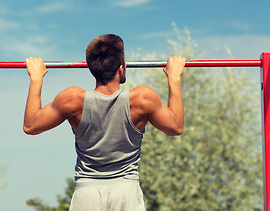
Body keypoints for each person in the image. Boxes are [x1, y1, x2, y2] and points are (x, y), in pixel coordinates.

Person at [23, 34, 185, 210]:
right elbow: (175, 127)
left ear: (93, 68)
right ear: (121, 68)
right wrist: (174, 78)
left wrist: (36, 79)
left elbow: (30, 125)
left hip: (88, 192)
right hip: (126, 192)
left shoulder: (72, 99)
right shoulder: (142, 99)